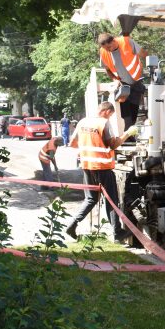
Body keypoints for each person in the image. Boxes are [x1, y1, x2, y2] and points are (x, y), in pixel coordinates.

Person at [65, 101, 138, 243]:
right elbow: (113, 144)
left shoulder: (82, 122)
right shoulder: (103, 123)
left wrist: (88, 146)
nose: (110, 118)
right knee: (112, 200)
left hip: (87, 166)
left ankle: (72, 225)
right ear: (106, 111)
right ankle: (117, 233)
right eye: (110, 115)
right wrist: (127, 134)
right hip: (103, 167)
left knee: (91, 199)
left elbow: (73, 144)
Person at [97, 32, 148, 130]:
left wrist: (150, 66)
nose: (108, 50)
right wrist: (115, 79)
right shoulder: (103, 52)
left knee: (133, 112)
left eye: (109, 47)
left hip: (136, 83)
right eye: (105, 49)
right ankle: (127, 135)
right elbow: (107, 70)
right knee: (125, 114)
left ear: (113, 41)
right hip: (123, 86)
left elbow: (145, 54)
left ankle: (130, 135)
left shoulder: (127, 42)